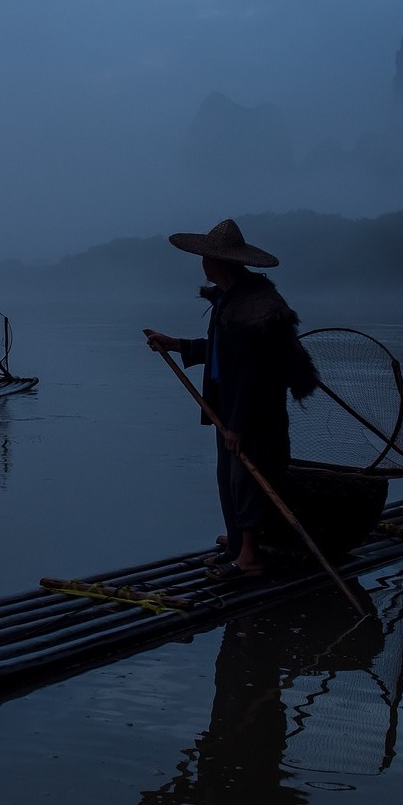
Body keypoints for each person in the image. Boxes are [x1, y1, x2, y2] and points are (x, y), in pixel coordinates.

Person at [143, 219, 317, 581]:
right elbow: (225, 353)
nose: (202, 264)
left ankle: (250, 558)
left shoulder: (256, 305)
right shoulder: (229, 299)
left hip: (255, 411)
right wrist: (177, 344)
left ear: (216, 263)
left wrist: (238, 424)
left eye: (206, 258)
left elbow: (254, 373)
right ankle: (239, 547)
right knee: (228, 479)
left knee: (246, 480)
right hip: (231, 407)